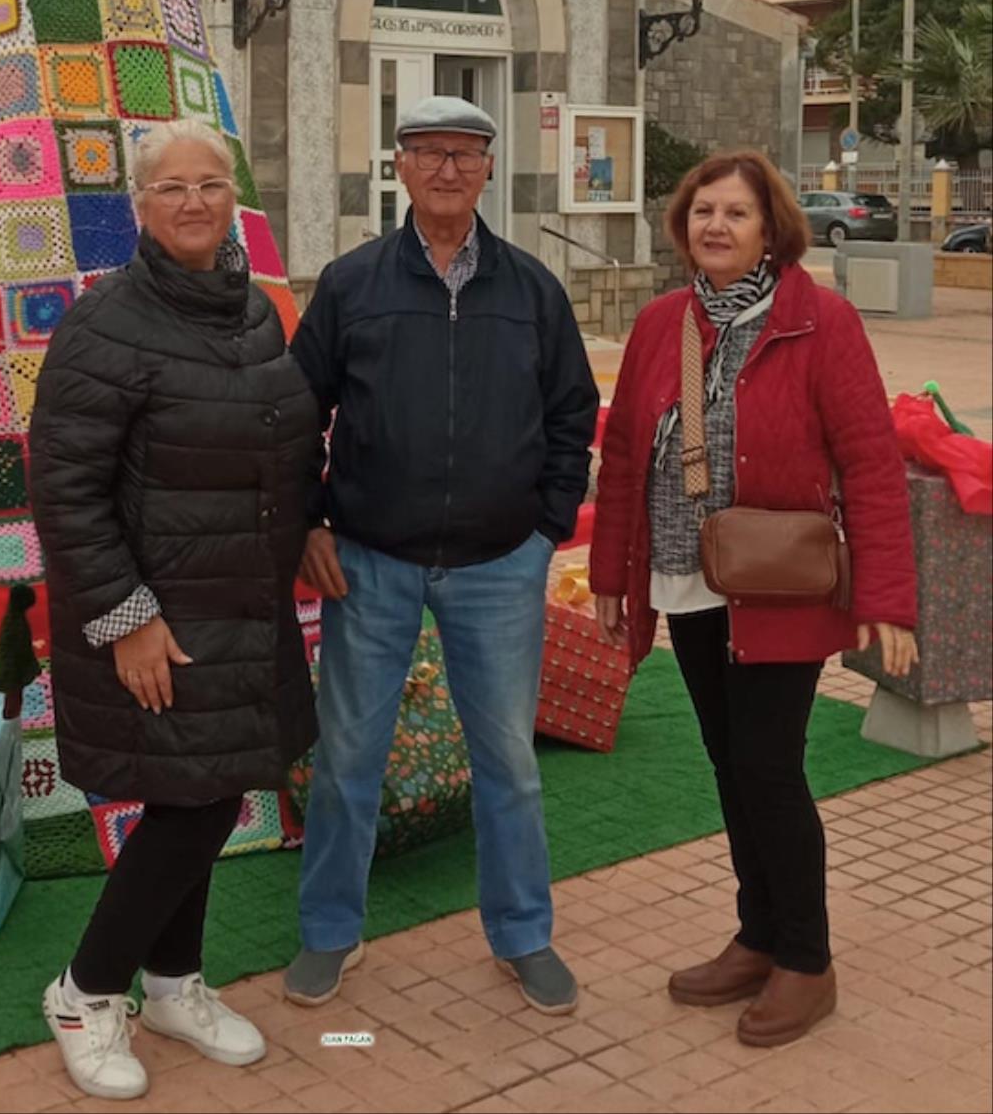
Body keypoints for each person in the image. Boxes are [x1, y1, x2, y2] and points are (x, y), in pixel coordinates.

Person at [591, 150, 917, 1050]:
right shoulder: (662, 322)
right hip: (687, 576)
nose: (717, 226)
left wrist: (887, 595)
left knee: (769, 768)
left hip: (779, 584)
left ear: (771, 229)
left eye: (736, 213)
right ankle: (759, 934)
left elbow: (871, 463)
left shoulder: (820, 320)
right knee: (731, 765)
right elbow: (626, 456)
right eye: (703, 211)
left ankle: (807, 960)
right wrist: (614, 576)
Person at [283, 94, 599, 1016]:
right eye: (429, 153)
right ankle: (329, 930)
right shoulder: (351, 284)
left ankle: (523, 934)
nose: (448, 169)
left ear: (490, 167)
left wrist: (544, 530)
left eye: (465, 153)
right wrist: (309, 522)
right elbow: (296, 413)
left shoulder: (533, 290)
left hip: (500, 563)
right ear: (401, 167)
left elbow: (573, 414)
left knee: (509, 761)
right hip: (371, 561)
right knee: (349, 756)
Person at [28, 117, 320, 1100]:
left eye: (210, 183)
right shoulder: (105, 323)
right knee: (196, 805)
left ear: (234, 194)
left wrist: (312, 522)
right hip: (159, 613)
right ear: (139, 206)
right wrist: (126, 617)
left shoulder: (254, 311)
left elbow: (280, 445)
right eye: (171, 187)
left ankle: (171, 983)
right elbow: (65, 490)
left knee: (208, 788)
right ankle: (84, 991)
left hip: (241, 604)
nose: (194, 201)